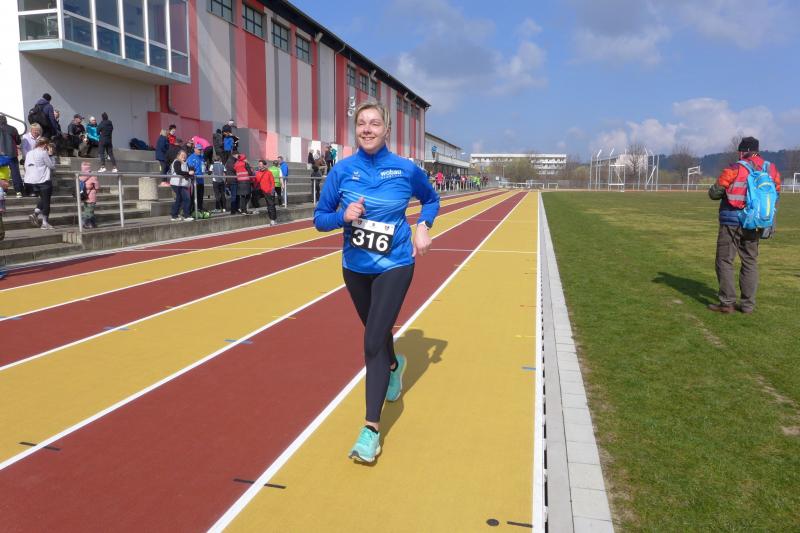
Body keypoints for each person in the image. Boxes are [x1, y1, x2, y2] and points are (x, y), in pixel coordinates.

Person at [313, 101, 440, 463]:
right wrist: (343, 216)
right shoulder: (342, 171)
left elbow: (431, 199)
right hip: (355, 268)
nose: (367, 129)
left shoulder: (405, 169)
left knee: (371, 342)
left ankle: (370, 430)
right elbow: (319, 219)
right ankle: (395, 366)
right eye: (361, 124)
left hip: (395, 264)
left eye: (374, 123)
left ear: (387, 130)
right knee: (376, 330)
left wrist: (422, 225)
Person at [707, 136, 781, 314]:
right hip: (756, 223)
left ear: (743, 151)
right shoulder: (770, 169)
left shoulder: (734, 168)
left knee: (725, 260)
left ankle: (727, 303)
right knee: (750, 261)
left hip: (732, 222)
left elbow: (714, 193)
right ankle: (748, 305)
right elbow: (776, 192)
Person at [24, 138, 56, 229]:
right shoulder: (43, 153)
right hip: (43, 180)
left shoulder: (29, 153)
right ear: (45, 144)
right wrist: (51, 155)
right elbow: (52, 166)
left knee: (44, 198)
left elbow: (26, 166)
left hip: (31, 181)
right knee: (46, 201)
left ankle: (35, 213)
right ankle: (45, 223)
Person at [0, 115, 23, 198]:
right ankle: (18, 191)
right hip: (12, 154)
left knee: (2, 173)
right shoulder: (12, 129)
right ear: (6, 121)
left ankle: (3, 191)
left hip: (1, 155)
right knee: (15, 173)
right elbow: (18, 141)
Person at [169, 149, 194, 221]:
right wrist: (188, 173)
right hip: (177, 184)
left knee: (179, 199)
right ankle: (186, 215)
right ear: (178, 156)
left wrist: (190, 172)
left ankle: (174, 215)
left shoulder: (186, 163)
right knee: (186, 198)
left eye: (185, 155)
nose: (184, 157)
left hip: (183, 184)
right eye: (182, 155)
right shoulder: (177, 162)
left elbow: (190, 170)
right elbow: (178, 171)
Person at [255, 159, 277, 225]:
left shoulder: (269, 172)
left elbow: (272, 182)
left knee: (271, 205)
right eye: (259, 164)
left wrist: (272, 190)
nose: (259, 165)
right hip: (260, 190)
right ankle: (257, 209)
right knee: (254, 197)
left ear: (264, 165)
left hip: (268, 191)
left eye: (261, 164)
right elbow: (255, 181)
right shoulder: (257, 173)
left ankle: (273, 219)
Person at [78, 160, 100, 228]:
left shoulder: (80, 177)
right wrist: (96, 190)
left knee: (87, 210)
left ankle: (92, 223)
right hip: (91, 196)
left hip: (84, 196)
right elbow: (97, 187)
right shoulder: (93, 176)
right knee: (90, 211)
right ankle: (86, 223)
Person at [187, 143, 206, 214]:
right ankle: (192, 211)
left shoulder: (202, 157)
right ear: (195, 149)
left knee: (200, 196)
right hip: (194, 180)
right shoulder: (191, 158)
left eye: (201, 149)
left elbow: (203, 167)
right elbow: (189, 169)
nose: (200, 151)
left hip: (201, 180)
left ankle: (199, 209)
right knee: (193, 197)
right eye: (198, 149)